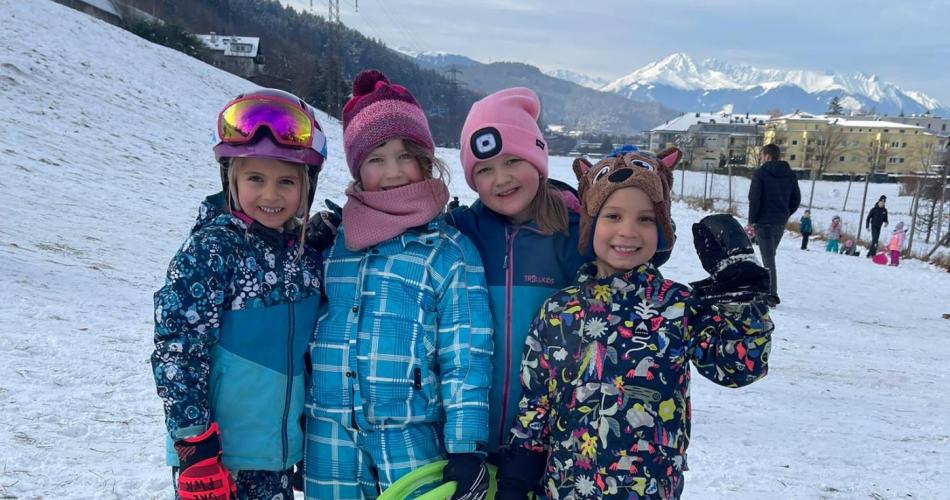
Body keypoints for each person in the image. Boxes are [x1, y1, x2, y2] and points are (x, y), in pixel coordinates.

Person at [495, 149, 774, 499]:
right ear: (592, 224)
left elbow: (738, 368)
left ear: (662, 230)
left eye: (645, 219)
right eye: (613, 215)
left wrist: (741, 300)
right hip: (566, 487)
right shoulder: (559, 310)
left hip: (650, 490)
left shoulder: (677, 305)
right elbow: (536, 401)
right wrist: (518, 476)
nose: (628, 231)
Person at [305, 70, 493, 500]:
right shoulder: (334, 244)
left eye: (404, 155)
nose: (392, 172)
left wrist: (466, 448)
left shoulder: (449, 252)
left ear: (425, 160)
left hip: (410, 442)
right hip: (328, 442)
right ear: (357, 168)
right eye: (375, 159)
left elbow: (467, 356)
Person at [152, 88, 327, 500]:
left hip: (277, 456)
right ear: (230, 178)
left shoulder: (304, 256)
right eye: (255, 179)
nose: (271, 195)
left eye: (287, 181)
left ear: (307, 186)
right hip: (217, 457)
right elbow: (178, 348)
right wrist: (193, 443)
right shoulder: (212, 251)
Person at [449, 87, 590, 459]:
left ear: (538, 160)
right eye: (484, 169)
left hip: (547, 443)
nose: (501, 179)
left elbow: (625, 256)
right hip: (471, 439)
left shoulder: (573, 236)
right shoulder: (462, 231)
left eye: (512, 161)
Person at [748, 143, 800, 307]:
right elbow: (796, 199)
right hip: (779, 221)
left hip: (763, 221)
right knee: (769, 255)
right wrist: (785, 213)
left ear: (768, 156)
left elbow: (754, 198)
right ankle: (762, 289)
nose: (761, 158)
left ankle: (771, 294)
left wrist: (752, 219)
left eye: (762, 155)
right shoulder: (790, 175)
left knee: (768, 257)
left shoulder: (761, 174)